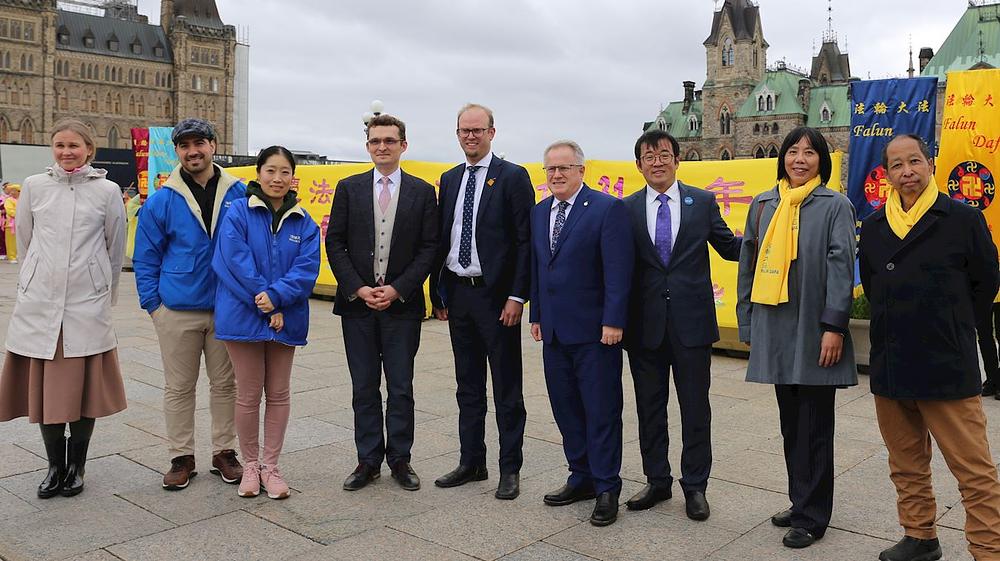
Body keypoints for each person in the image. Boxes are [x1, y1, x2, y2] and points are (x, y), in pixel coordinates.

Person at [858, 134, 1000, 561]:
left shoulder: (961, 218)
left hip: (945, 360)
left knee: (974, 471)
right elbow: (871, 283)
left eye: (914, 161)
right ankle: (920, 536)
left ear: (930, 162)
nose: (907, 172)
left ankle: (988, 549)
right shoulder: (877, 225)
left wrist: (950, 322)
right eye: (897, 165)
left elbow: (986, 282)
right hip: (892, 360)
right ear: (887, 174)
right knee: (905, 464)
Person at [736, 126, 857, 549]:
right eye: (793, 151)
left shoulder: (835, 204)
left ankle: (812, 515)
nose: (799, 159)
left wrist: (834, 326)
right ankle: (799, 499)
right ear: (782, 157)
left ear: (822, 159)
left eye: (809, 152)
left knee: (815, 425)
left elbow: (842, 266)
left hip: (816, 329)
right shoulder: (764, 203)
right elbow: (748, 265)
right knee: (791, 425)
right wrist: (747, 321)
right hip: (776, 327)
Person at [0, 119, 127, 498]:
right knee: (45, 392)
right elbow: (24, 239)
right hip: (41, 301)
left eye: (74, 145)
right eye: (59, 145)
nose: (67, 152)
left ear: (89, 149)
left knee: (85, 391)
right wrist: (32, 279)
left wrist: (105, 293)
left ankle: (78, 465)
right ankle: (54, 465)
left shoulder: (107, 191)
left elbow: (114, 246)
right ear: (51, 149)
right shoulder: (36, 187)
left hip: (86, 303)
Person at [622, 129, 742, 519]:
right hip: (644, 327)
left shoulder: (702, 202)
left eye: (664, 155)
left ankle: (695, 486)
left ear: (677, 160)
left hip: (692, 326)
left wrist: (771, 237)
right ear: (639, 165)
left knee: (695, 409)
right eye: (648, 156)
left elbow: (729, 246)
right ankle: (657, 481)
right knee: (649, 409)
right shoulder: (625, 209)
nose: (657, 162)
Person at [133, 118, 247, 490]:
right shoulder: (164, 198)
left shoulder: (239, 192)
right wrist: (154, 306)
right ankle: (181, 456)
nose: (193, 151)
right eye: (185, 145)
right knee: (179, 387)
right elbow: (146, 256)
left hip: (227, 307)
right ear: (177, 151)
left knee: (226, 385)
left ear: (213, 145)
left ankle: (224, 452)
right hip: (177, 309)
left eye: (200, 143)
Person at [327, 114, 438, 492]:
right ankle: (367, 460)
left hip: (401, 306)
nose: (382, 147)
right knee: (364, 386)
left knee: (401, 386)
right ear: (367, 146)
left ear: (403, 145)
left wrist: (398, 288)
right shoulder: (349, 188)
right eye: (375, 141)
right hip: (357, 307)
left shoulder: (423, 192)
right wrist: (357, 288)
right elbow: (335, 243)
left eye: (390, 141)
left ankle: (401, 459)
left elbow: (429, 248)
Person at [429, 104, 533, 500]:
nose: (470, 136)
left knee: (507, 387)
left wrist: (517, 295)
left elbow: (524, 242)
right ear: (457, 134)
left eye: (477, 130)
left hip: (498, 300)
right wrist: (438, 292)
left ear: (492, 132)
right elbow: (444, 236)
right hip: (459, 294)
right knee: (467, 386)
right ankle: (472, 460)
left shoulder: (512, 177)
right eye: (464, 130)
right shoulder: (451, 178)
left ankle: (511, 468)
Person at [530, 140, 634, 527]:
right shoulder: (540, 212)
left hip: (596, 333)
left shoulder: (607, 209)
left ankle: (607, 486)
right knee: (566, 409)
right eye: (551, 169)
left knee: (601, 410)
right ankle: (582, 476)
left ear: (581, 171)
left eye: (564, 168)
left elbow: (618, 271)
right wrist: (537, 314)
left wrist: (613, 321)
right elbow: (540, 268)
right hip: (555, 331)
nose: (556, 175)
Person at [212, 146, 321, 500]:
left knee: (278, 393)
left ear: (293, 177)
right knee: (247, 394)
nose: (277, 178)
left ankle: (271, 467)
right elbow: (232, 261)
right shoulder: (238, 213)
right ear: (258, 173)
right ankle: (251, 465)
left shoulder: (303, 221)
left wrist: (277, 298)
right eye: (270, 170)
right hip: (244, 314)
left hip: (285, 316)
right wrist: (265, 299)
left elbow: (306, 270)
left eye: (284, 172)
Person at [4, 183, 19, 263]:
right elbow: (10, 211)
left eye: (14, 190)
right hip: (10, 224)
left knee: (20, 240)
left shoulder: (22, 199)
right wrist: (19, 214)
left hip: (20, 223)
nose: (12, 192)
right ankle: (11, 256)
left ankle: (18, 255)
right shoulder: (9, 200)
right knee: (11, 241)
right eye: (11, 190)